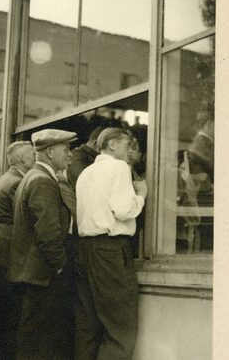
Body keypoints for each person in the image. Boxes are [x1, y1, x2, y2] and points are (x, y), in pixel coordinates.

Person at [75, 127, 147, 360]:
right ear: (113, 145)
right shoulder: (119, 167)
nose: (130, 152)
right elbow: (124, 209)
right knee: (120, 325)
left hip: (86, 249)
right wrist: (141, 195)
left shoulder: (86, 173)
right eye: (128, 146)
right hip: (111, 250)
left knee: (88, 326)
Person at [8, 129, 77, 360]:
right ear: (49, 152)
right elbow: (48, 234)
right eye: (66, 150)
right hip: (43, 276)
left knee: (32, 338)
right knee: (40, 342)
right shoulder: (42, 181)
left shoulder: (32, 177)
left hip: (33, 273)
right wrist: (60, 266)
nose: (70, 155)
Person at [0, 140, 35, 359]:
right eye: (32, 154)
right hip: (8, 252)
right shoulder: (17, 183)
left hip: (1, 251)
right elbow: (26, 220)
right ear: (22, 159)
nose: (35, 158)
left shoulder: (7, 179)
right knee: (7, 314)